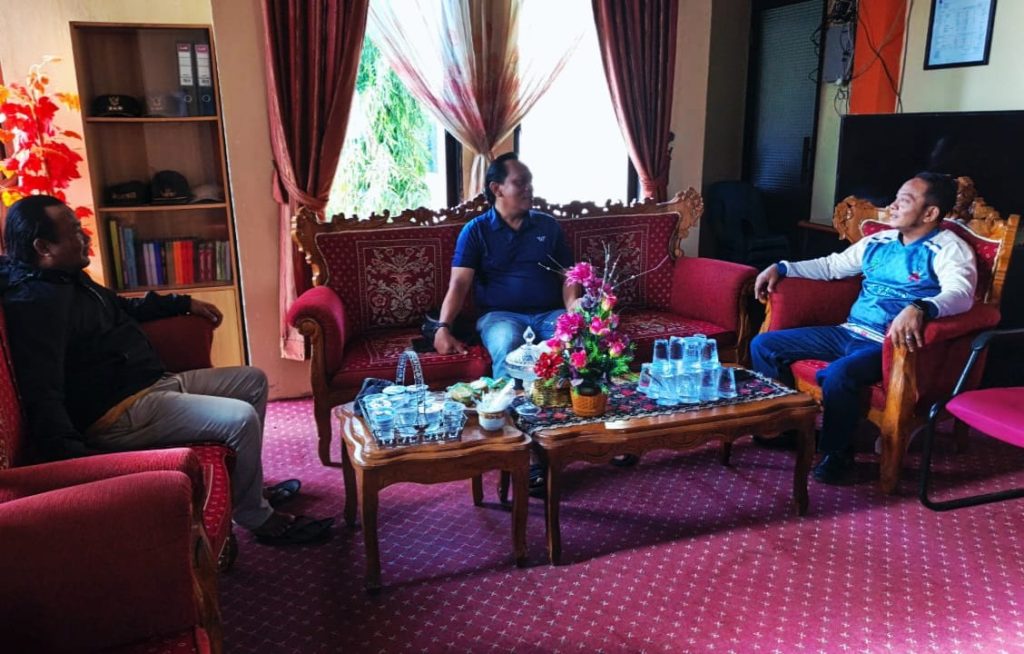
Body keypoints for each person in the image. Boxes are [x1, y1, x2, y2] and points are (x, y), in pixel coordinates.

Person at [0, 195, 332, 545]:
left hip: (151, 384)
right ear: (43, 247)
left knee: (252, 381)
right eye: (73, 231)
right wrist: (75, 461)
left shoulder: (67, 278)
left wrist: (182, 302)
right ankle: (256, 516)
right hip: (121, 412)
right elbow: (42, 389)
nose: (85, 235)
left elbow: (122, 307)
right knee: (240, 419)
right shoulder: (37, 306)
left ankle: (247, 486)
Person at [749, 172, 977, 484]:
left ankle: (838, 455)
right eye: (895, 198)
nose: (892, 206)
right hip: (849, 331)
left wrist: (920, 307)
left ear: (930, 213)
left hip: (888, 344)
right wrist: (782, 267)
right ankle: (787, 430)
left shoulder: (948, 249)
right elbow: (831, 266)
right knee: (764, 345)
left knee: (839, 375)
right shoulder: (878, 241)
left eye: (904, 201)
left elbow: (961, 294)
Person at [433, 152, 580, 378]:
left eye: (530, 182)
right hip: (500, 317)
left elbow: (568, 274)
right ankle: (508, 400)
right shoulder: (475, 231)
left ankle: (572, 400)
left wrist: (572, 308)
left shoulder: (548, 225)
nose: (529, 189)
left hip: (550, 314)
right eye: (520, 183)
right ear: (497, 189)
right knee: (506, 342)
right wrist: (442, 328)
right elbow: (459, 284)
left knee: (578, 341)